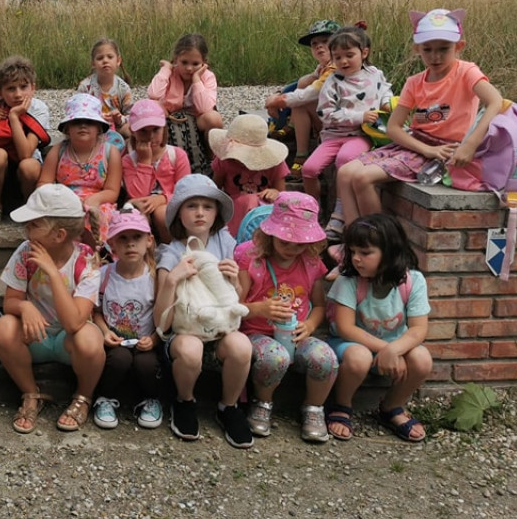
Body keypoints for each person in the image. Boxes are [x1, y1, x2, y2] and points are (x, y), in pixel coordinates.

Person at [335, 8, 503, 232]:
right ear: (418, 49)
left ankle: (380, 243)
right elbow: (394, 128)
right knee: (345, 172)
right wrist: (425, 149)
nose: (435, 56)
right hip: (417, 144)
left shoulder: (466, 72)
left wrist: (470, 144)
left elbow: (495, 101)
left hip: (444, 148)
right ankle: (353, 239)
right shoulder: (414, 82)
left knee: (363, 178)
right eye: (428, 50)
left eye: (444, 49)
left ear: (459, 46)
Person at [0, 184, 106, 434]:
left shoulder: (86, 260)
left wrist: (54, 274)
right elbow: (10, 300)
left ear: (59, 235)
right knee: (4, 327)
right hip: (37, 335)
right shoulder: (25, 252)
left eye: (33, 225)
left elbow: (75, 323)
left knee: (89, 337)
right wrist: (24, 306)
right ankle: (31, 394)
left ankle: (82, 397)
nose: (26, 230)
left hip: (69, 341)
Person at [153, 175, 254, 448]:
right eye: (192, 206)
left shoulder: (226, 243)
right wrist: (172, 280)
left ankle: (228, 407)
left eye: (207, 206)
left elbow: (238, 302)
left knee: (241, 346)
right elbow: (162, 322)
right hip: (185, 329)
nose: (200, 213)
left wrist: (235, 280)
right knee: (190, 350)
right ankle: (184, 400)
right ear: (179, 214)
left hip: (221, 325)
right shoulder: (171, 252)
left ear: (217, 212)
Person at [235, 192, 337, 443]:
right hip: (256, 331)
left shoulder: (311, 263)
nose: (292, 249)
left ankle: (314, 408)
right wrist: (260, 309)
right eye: (285, 242)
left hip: (295, 331)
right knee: (274, 358)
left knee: (325, 358)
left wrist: (310, 324)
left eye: (299, 243)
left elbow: (319, 306)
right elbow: (234, 306)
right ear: (270, 235)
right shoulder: (251, 258)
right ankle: (263, 402)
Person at [326, 214, 432, 442]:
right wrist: (388, 349)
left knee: (422, 359)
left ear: (390, 252)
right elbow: (346, 328)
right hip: (352, 345)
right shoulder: (348, 281)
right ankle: (342, 404)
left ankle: (392, 407)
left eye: (365, 253)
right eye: (352, 252)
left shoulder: (413, 281)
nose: (356, 259)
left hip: (393, 347)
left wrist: (394, 350)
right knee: (359, 357)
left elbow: (418, 330)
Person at [300, 24, 392, 236]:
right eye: (337, 57)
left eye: (349, 55)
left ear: (364, 52)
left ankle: (340, 214)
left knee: (345, 160)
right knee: (309, 169)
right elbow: (326, 113)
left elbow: (385, 90)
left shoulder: (374, 74)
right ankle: (313, 211)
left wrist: (387, 102)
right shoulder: (332, 81)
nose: (343, 61)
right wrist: (358, 116)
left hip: (361, 135)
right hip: (333, 136)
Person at [91, 209, 162, 431]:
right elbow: (95, 311)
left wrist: (154, 339)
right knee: (120, 359)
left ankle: (151, 399)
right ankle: (105, 397)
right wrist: (103, 331)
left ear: (149, 241)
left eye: (136, 237)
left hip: (146, 343)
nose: (130, 244)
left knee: (146, 363)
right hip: (114, 343)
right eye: (123, 238)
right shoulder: (104, 275)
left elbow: (165, 316)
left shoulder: (155, 277)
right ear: (112, 244)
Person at [0, 55, 50, 232]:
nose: (18, 94)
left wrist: (14, 116)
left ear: (33, 88)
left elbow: (25, 154)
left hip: (25, 163)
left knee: (29, 166)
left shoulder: (38, 108)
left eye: (24, 87)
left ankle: (30, 207)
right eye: (11, 89)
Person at [39, 93, 122, 247]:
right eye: (77, 122)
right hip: (64, 199)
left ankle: (96, 255)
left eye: (89, 122)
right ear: (67, 128)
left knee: (100, 215)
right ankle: (66, 255)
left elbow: (112, 191)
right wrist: (61, 197)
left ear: (99, 128)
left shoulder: (110, 152)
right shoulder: (58, 151)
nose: (83, 126)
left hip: (98, 200)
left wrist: (94, 201)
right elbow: (44, 183)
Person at [264, 19, 340, 178]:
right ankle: (292, 124)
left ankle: (302, 155)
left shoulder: (337, 67)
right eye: (314, 44)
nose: (319, 46)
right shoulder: (323, 67)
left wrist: (278, 101)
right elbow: (301, 84)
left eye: (325, 42)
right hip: (330, 117)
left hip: (340, 123)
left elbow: (313, 91)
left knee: (300, 103)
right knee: (305, 81)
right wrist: (278, 93)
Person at [121, 99, 191, 242]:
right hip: (142, 205)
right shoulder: (128, 160)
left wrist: (162, 199)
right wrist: (145, 162)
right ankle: (147, 255)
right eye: (143, 131)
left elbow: (186, 191)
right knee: (136, 216)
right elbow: (137, 194)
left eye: (155, 130)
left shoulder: (177, 155)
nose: (150, 136)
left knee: (161, 213)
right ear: (133, 132)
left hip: (171, 205)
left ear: (164, 128)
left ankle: (172, 248)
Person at [208, 114, 289, 238]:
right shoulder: (224, 160)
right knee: (248, 200)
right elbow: (215, 189)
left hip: (264, 209)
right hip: (234, 208)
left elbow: (282, 194)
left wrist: (274, 192)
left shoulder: (275, 164)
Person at [148, 32, 224, 134]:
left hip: (197, 120)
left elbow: (204, 108)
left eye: (195, 64)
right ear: (176, 59)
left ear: (203, 62)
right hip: (170, 118)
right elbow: (154, 94)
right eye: (184, 62)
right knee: (152, 106)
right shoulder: (170, 73)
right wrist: (166, 69)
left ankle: (209, 149)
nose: (189, 68)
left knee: (214, 118)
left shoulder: (208, 77)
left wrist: (196, 80)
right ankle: (160, 146)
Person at [77, 38, 134, 139]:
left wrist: (119, 118)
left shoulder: (123, 88)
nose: (105, 61)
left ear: (118, 61)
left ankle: (128, 150)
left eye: (110, 57)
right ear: (93, 64)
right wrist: (96, 117)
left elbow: (131, 115)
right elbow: (78, 112)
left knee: (132, 129)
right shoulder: (85, 87)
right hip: (93, 128)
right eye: (100, 58)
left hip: (118, 129)